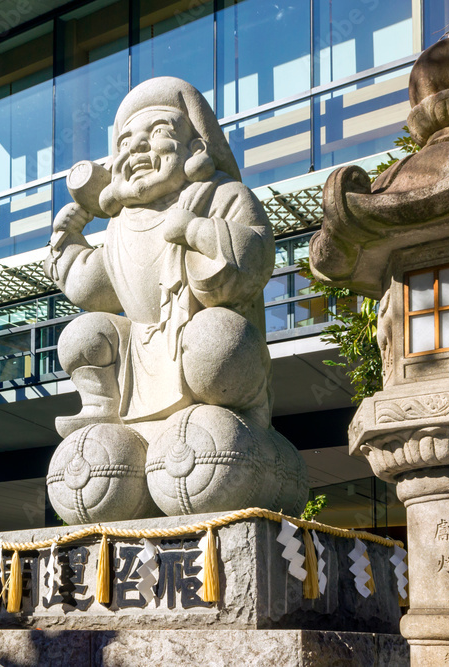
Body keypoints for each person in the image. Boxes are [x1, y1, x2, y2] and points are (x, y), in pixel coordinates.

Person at [44, 77, 275, 438]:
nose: (136, 146)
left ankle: (228, 412)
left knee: (216, 338)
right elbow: (92, 287)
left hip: (200, 344)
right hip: (137, 348)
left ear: (196, 148)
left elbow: (255, 258)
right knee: (83, 333)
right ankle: (103, 407)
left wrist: (196, 230)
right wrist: (67, 240)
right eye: (125, 141)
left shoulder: (220, 195)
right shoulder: (120, 225)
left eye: (156, 132)